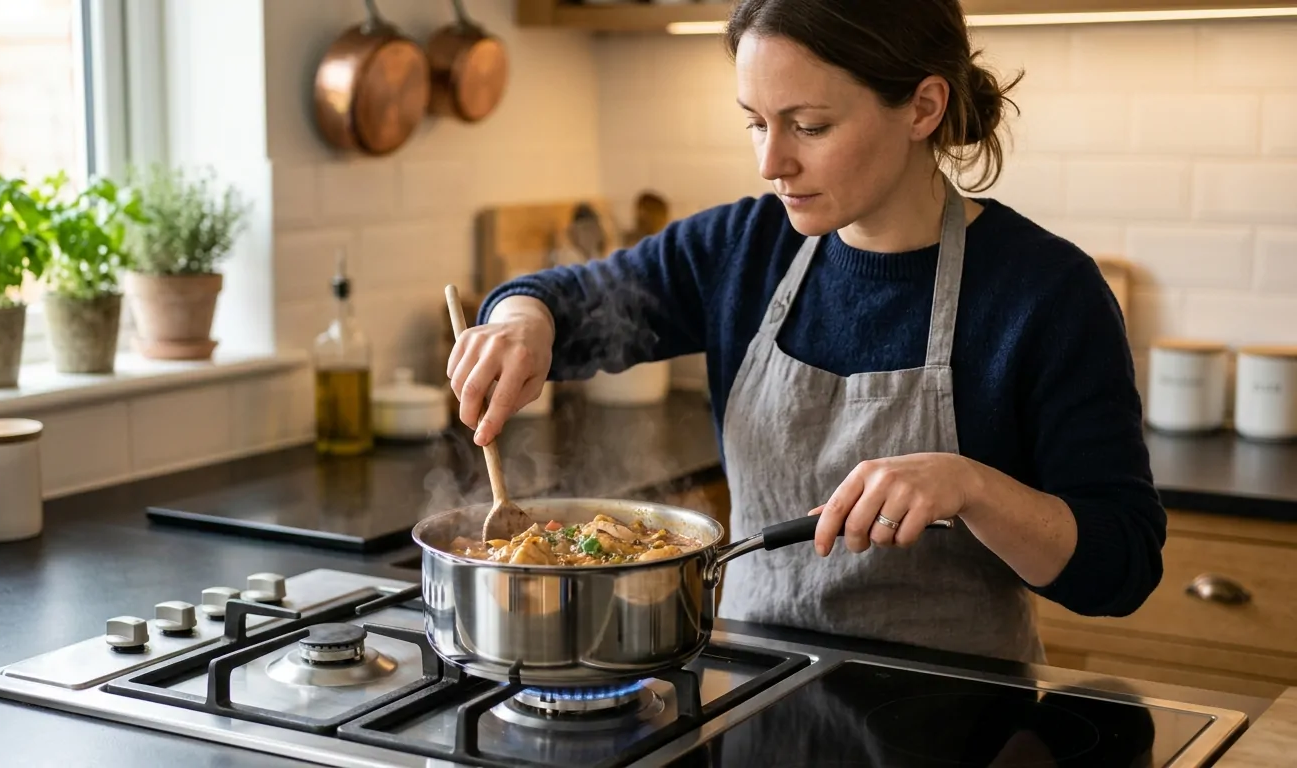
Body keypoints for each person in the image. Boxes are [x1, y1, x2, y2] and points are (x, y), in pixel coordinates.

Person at [445, 0, 1166, 664]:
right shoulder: (742, 249)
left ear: (922, 106)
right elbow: (567, 300)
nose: (771, 163)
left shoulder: (1045, 293)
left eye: (810, 126)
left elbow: (1121, 565)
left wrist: (971, 487)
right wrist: (520, 319)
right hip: (751, 691)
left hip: (959, 717)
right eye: (756, 122)